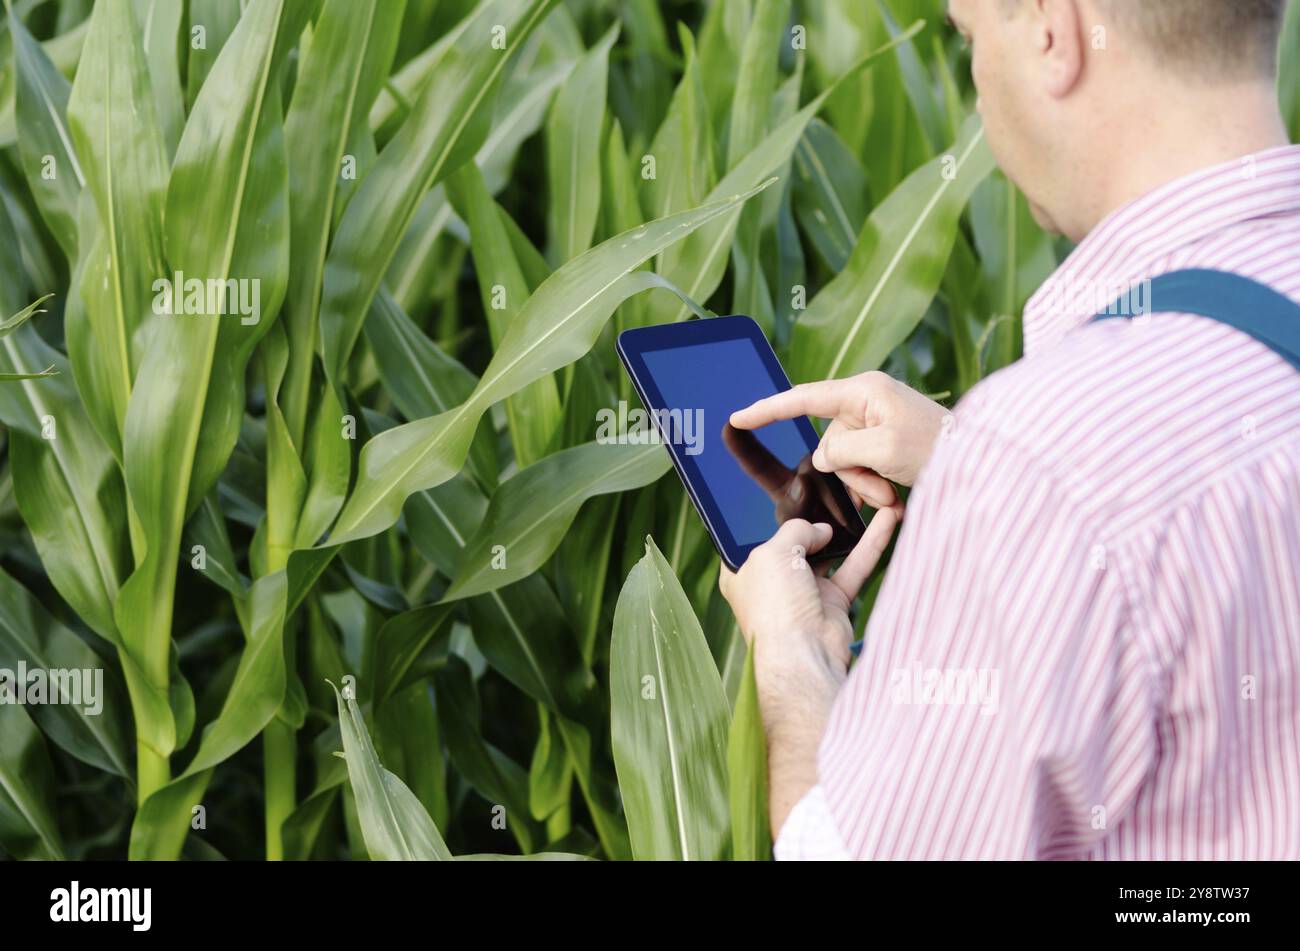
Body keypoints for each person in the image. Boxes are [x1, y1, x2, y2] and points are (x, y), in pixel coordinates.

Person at [720, 0, 1300, 859]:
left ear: (1051, 31)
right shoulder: (1054, 463)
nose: (975, 87)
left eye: (965, 35)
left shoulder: (1043, 459)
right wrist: (976, 458)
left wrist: (792, 660)